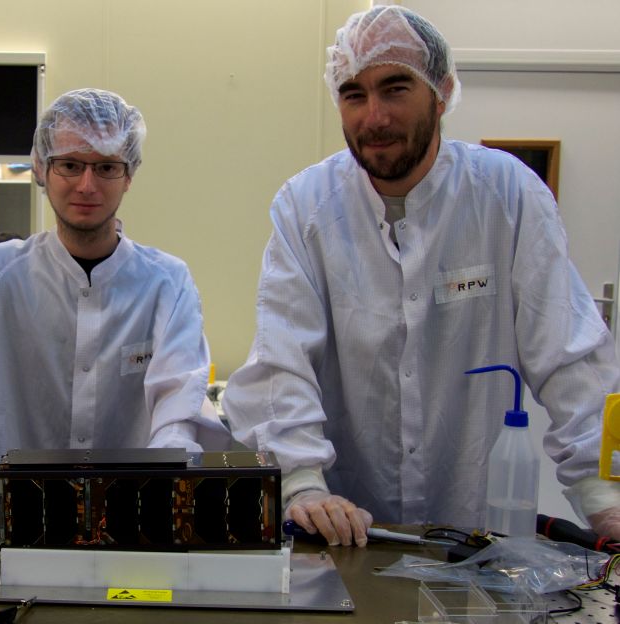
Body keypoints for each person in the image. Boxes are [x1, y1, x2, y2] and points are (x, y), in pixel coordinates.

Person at [222, 5, 620, 547]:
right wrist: (303, 484)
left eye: (395, 88)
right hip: (346, 535)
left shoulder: (506, 195)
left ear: (442, 91)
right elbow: (282, 362)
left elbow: (570, 358)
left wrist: (606, 501)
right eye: (353, 94)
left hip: (478, 533)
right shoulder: (307, 207)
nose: (374, 117)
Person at [0, 88, 229, 530]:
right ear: (42, 167)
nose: (87, 185)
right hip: (1, 523)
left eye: (107, 167)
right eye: (70, 165)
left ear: (129, 174)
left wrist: (160, 487)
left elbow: (178, 410)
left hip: (126, 524)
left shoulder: (167, 282)